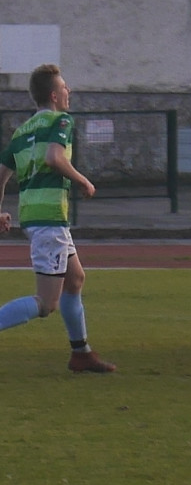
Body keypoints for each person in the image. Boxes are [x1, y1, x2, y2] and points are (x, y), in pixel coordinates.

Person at [0, 64, 116, 373]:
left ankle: (80, 353)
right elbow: (54, 156)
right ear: (54, 95)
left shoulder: (22, 131)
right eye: (65, 88)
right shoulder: (61, 120)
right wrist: (83, 180)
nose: (69, 92)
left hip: (37, 217)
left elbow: (1, 177)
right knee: (46, 303)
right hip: (49, 218)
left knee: (75, 279)